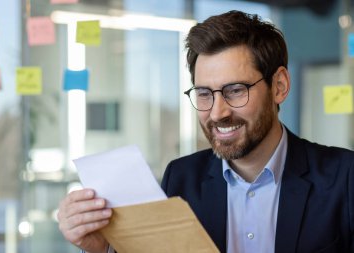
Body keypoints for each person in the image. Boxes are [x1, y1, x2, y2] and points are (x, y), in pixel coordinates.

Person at [57, 10, 354, 253]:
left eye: (235, 90)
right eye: (203, 93)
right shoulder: (180, 180)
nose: (217, 112)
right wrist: (102, 248)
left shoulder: (345, 177)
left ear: (279, 86)